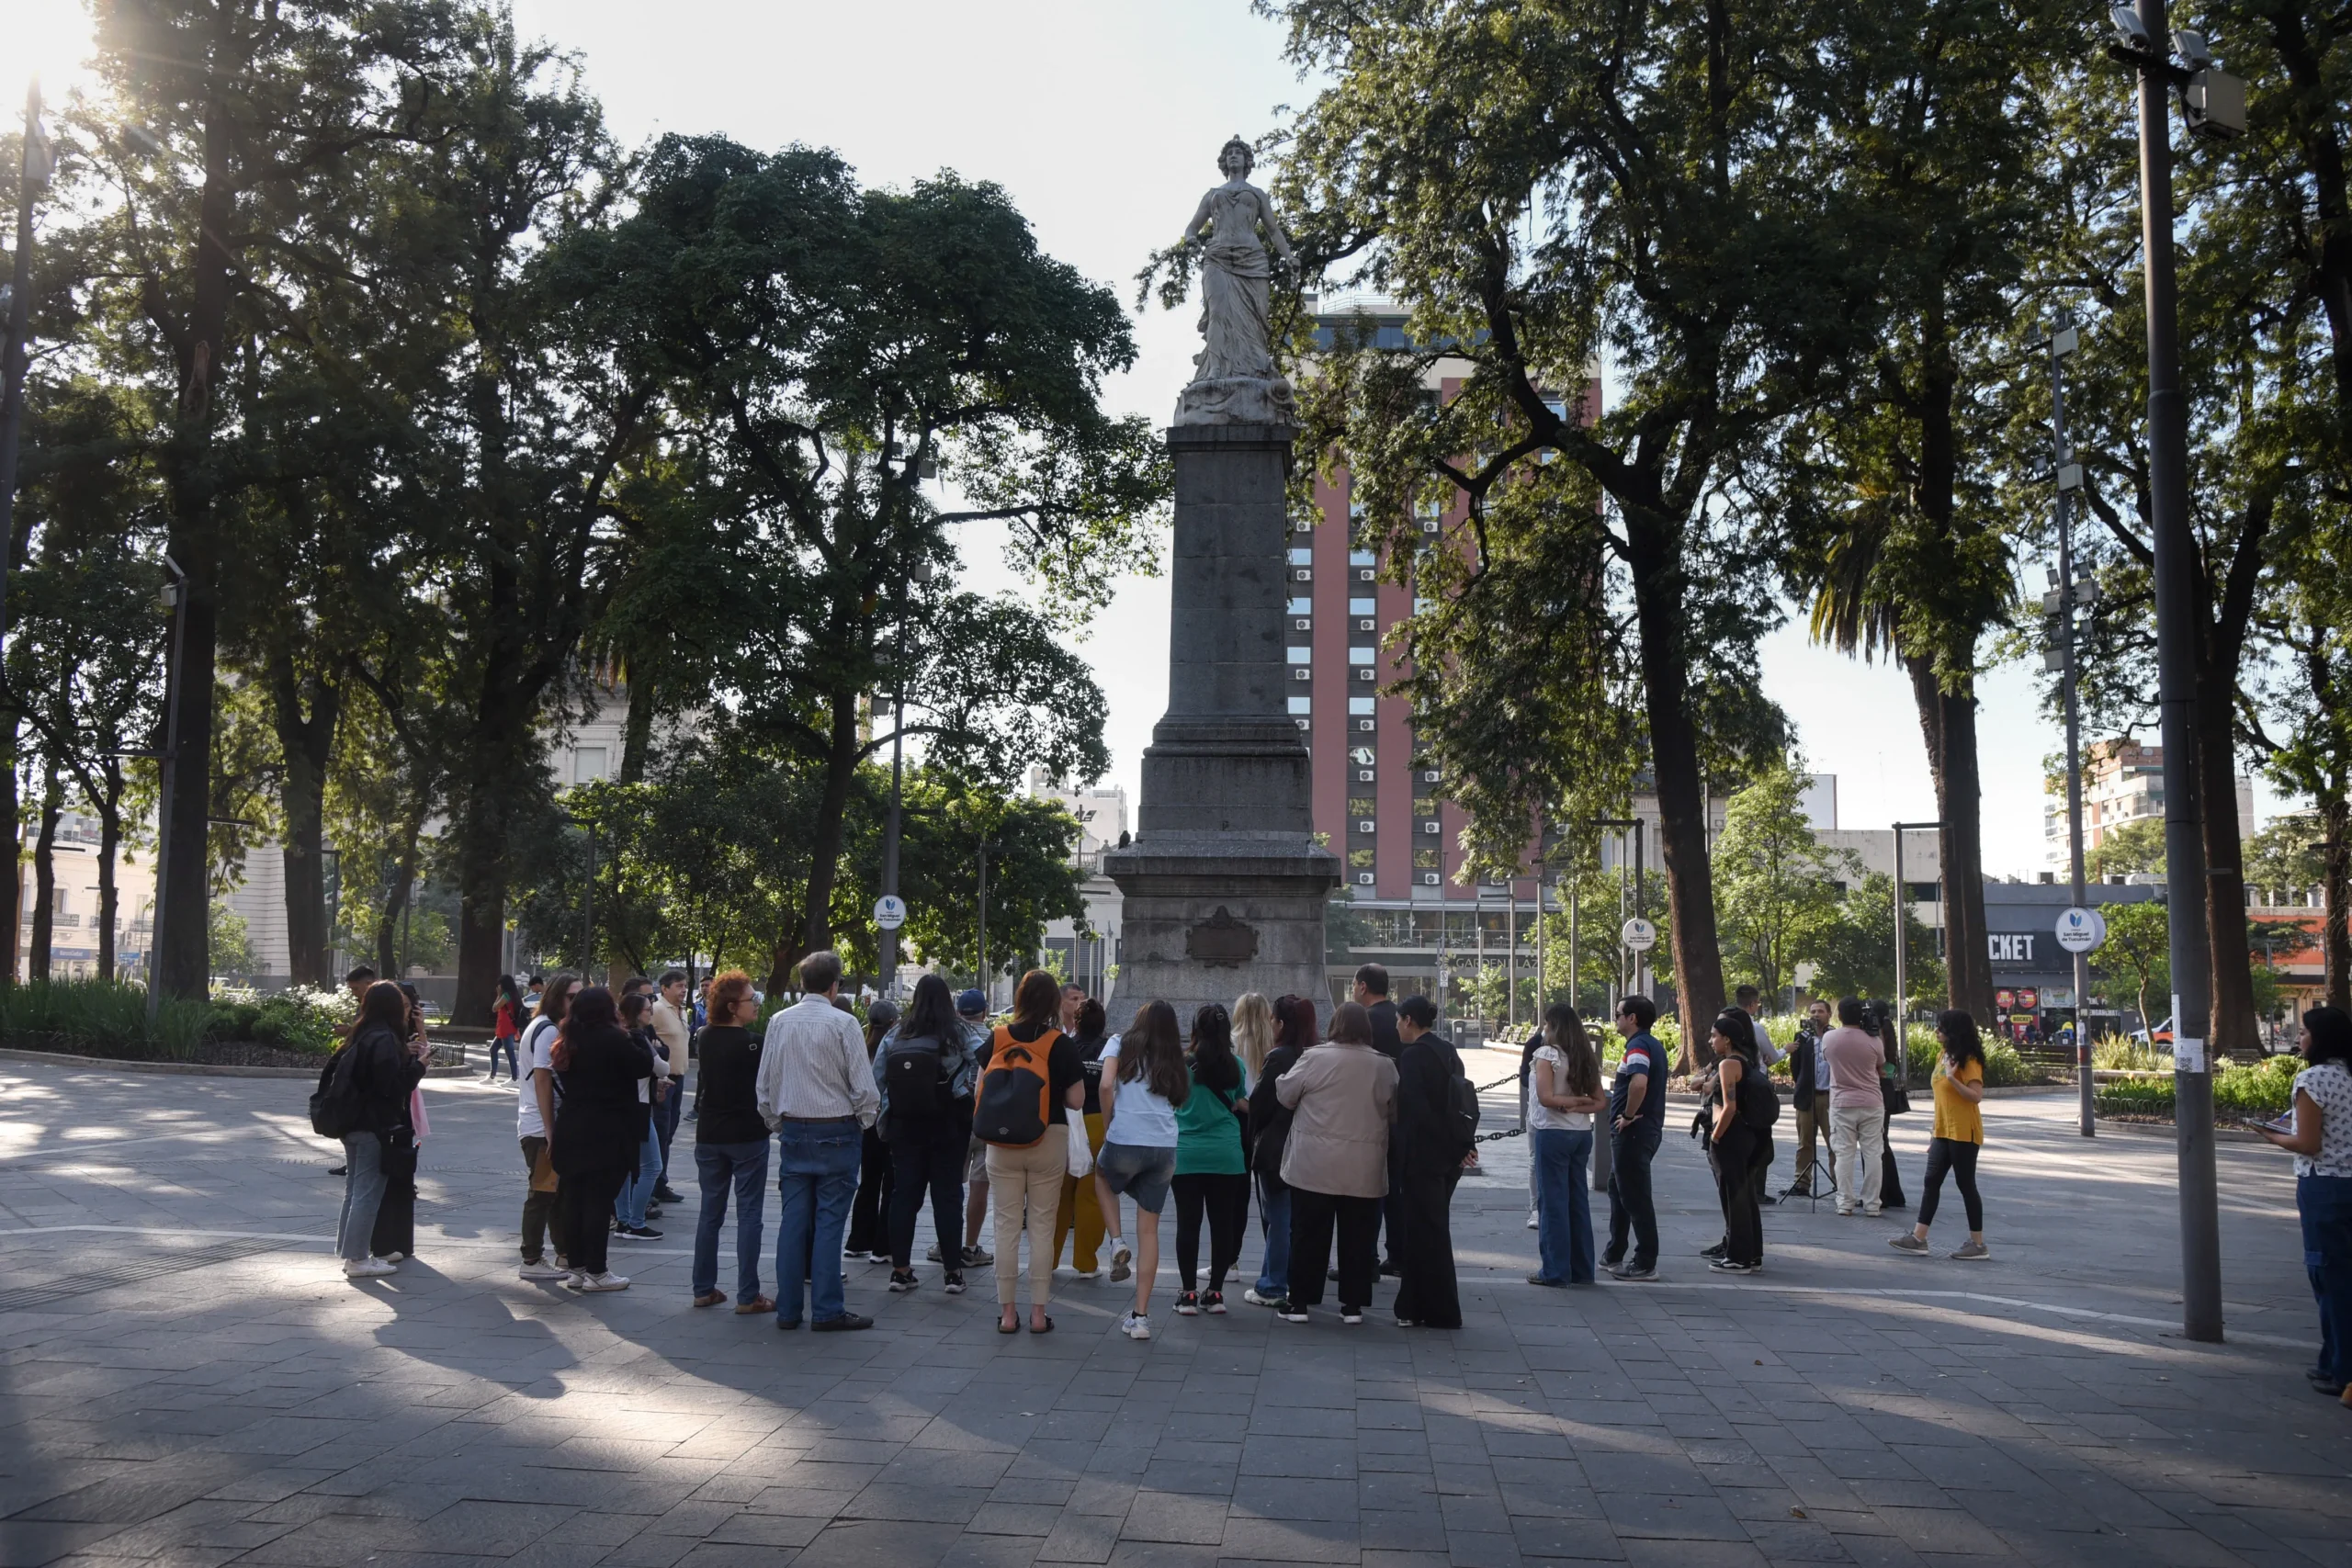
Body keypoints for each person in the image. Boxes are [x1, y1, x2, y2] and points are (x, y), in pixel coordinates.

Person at [754, 951, 880, 1330]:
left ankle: (789, 1310)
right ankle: (827, 1309)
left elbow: (765, 1083)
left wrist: (777, 1121)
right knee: (829, 1222)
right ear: (834, 985)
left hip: (795, 1127)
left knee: (793, 1220)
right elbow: (864, 1086)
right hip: (837, 1129)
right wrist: (863, 1120)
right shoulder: (844, 1024)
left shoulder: (778, 1022)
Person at [1275, 1000, 1397, 1325]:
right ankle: (1352, 1306)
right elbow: (1394, 1110)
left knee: (1308, 1234)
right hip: (1364, 1167)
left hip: (1313, 1165)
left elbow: (1286, 1095)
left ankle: (1300, 1301)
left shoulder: (1315, 1058)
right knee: (1358, 1237)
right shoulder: (1384, 1065)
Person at [2252, 1005, 2352, 1401]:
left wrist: (2270, 1134)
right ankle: (2333, 1362)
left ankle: (2341, 1370)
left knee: (2330, 1280)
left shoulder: (2313, 1079)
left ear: (2320, 1038)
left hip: (2324, 1187)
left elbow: (2308, 1143)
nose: (2299, 1038)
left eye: (2305, 1032)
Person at [979, 969, 1087, 1335]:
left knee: (1005, 1225)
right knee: (1043, 1226)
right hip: (1048, 1138)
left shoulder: (997, 1038)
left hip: (1001, 1143)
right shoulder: (1060, 1043)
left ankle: (1007, 1314)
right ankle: (1039, 1314)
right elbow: (1076, 1100)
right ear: (1054, 1003)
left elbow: (979, 1091)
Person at [877, 975, 978, 1295]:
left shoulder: (897, 1033)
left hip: (905, 1125)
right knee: (947, 1197)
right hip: (948, 1123)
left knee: (904, 1196)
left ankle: (901, 1270)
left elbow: (877, 1079)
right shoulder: (957, 1032)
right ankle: (952, 1272)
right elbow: (985, 1057)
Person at [1095, 999, 1188, 1339]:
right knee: (1149, 1231)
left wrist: (1110, 1125)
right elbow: (1179, 1098)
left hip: (1125, 1136)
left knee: (1102, 1176)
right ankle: (1141, 1317)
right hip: (1164, 1145)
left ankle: (1116, 1240)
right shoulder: (1174, 1054)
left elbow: (1106, 1086)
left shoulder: (1119, 1042)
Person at [690, 971, 774, 1314]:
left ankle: (703, 1288)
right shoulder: (753, 1042)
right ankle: (748, 1294)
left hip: (710, 1134)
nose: (755, 1005)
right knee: (750, 1213)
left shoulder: (704, 1036)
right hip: (747, 1135)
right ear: (731, 1007)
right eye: (750, 1000)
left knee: (710, 1212)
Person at [333, 981, 427, 1278]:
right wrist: (418, 1067)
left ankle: (349, 1252)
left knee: (353, 1190)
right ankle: (358, 1258)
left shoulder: (360, 1034)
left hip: (350, 1122)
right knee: (367, 1192)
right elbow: (390, 1086)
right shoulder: (384, 1038)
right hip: (372, 1125)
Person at [1391, 995, 1469, 1327]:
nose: (1396, 1026)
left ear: (1409, 1020)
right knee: (1435, 1228)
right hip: (1448, 1155)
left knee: (1420, 1231)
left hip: (1422, 1154)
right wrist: (1458, 1144)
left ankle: (1419, 1306)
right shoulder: (1448, 1051)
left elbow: (1415, 1108)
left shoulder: (1412, 1057)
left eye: (1399, 1019)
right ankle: (1432, 1306)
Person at [1891, 1009, 1992, 1261]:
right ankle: (1918, 1238)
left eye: (1941, 1028)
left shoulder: (1969, 1060)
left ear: (1953, 1031)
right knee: (1931, 1181)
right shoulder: (1944, 1055)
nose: (1936, 1031)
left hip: (1964, 1132)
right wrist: (1934, 1134)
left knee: (1966, 1185)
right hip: (1942, 1132)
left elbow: (1976, 1096)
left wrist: (1952, 1078)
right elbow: (1942, 1099)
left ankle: (1978, 1244)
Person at [1171, 1003, 1252, 1315]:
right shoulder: (1236, 1065)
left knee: (1187, 1225)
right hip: (1227, 1154)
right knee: (1223, 1225)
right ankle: (1215, 1293)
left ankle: (1188, 1294)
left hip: (1187, 1154)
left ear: (1195, 1029)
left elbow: (1172, 1100)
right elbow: (1239, 1101)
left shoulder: (1182, 1063)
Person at [1526, 1002, 1606, 1289]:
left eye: (1547, 1024)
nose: (1544, 1029)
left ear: (1554, 1026)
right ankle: (1583, 1269)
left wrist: (1567, 1103)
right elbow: (1600, 1102)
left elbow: (1546, 1098)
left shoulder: (1547, 1055)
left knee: (1553, 1203)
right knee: (1577, 1202)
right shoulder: (1584, 1056)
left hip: (1552, 1132)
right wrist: (1580, 1103)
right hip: (1581, 1134)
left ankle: (1555, 1270)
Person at [1244, 995, 1309, 1310]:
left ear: (1281, 1024)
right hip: (1303, 1145)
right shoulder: (1311, 1054)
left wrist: (1252, 1133)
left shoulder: (1279, 1057)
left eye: (1273, 1019)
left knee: (1278, 1217)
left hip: (1275, 1147)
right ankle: (1287, 1279)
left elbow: (1260, 1102)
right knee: (1291, 1216)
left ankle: (1273, 1284)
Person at [514, 975, 579, 1281]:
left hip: (540, 1124)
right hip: (540, 1126)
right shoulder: (547, 1029)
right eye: (572, 997)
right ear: (557, 997)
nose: (576, 1004)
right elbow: (542, 1078)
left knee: (555, 1191)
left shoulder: (541, 1024)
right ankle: (531, 1258)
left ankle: (563, 1253)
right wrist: (550, 1129)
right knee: (542, 1191)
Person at [1600, 995, 1667, 1281]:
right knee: (1619, 1191)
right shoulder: (1649, 1044)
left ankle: (1645, 1261)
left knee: (1635, 1196)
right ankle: (1614, 1253)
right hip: (1642, 1131)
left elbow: (1639, 1082)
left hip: (1634, 1133)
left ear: (1632, 1018)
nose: (1615, 1019)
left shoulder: (1638, 1046)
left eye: (1618, 1014)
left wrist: (1627, 1115)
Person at [368, 983, 434, 1265]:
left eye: (409, 1005)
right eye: (401, 1005)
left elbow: (424, 1055)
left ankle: (401, 1243)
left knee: (404, 1173)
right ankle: (380, 1244)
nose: (405, 1011)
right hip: (388, 1111)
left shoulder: (402, 1030)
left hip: (406, 1105)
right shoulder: (384, 1035)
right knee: (384, 1177)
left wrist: (420, 1028)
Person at [1706, 1009, 1772, 1275]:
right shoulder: (1748, 1061)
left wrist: (1715, 1135)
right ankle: (1752, 1254)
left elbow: (1729, 1106)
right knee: (1745, 1197)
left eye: (1714, 1036)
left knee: (1733, 1198)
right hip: (1751, 1137)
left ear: (1728, 1040)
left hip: (1732, 1137)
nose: (1711, 1041)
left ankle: (1738, 1257)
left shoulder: (1728, 1064)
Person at [1050, 997, 1112, 1280]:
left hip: (1064, 1123)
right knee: (1091, 1195)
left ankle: (1048, 1259)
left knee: (1058, 1195)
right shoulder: (1108, 1051)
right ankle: (1086, 1262)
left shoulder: (1065, 1047)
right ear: (1102, 1026)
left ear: (1075, 1022)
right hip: (1098, 1122)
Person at [1352, 964, 1406, 1275]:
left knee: (1367, 1191)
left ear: (1361, 986)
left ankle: (1365, 1257)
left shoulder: (1364, 1022)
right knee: (1395, 1190)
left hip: (1369, 1115)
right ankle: (1397, 1255)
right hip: (1399, 1115)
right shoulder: (1401, 1018)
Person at [944, 987, 996, 1271]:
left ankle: (945, 1242)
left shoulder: (949, 1037)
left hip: (956, 1116)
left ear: (957, 1012)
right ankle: (971, 1246)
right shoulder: (996, 1039)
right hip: (986, 1120)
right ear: (985, 1013)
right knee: (980, 1186)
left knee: (950, 1185)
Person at [844, 998, 899, 1265]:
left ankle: (858, 1241)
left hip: (865, 1124)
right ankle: (883, 1246)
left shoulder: (861, 1048)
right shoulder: (893, 1048)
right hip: (888, 1121)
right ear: (893, 1022)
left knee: (868, 1183)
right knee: (890, 1184)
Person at [612, 991, 669, 1241]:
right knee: (652, 1166)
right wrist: (656, 1050)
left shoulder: (620, 1036)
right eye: (647, 1009)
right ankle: (635, 1222)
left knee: (625, 1167)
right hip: (638, 1109)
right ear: (635, 1013)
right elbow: (663, 1067)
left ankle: (624, 1221)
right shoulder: (638, 1037)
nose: (651, 1012)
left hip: (623, 1109)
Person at [1824, 998, 1887, 1218]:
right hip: (1872, 1102)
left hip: (1841, 1103)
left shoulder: (1829, 1038)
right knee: (1873, 1154)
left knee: (1843, 1154)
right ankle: (1872, 1204)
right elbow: (1882, 1065)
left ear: (1839, 1015)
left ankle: (1844, 1202)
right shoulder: (1874, 1040)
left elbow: (1826, 1059)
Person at [649, 969, 693, 1204]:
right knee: (661, 1132)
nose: (683, 990)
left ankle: (660, 1181)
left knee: (669, 1132)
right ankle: (655, 1183)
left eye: (685, 985)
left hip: (680, 1077)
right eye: (678, 986)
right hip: (663, 1080)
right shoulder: (656, 1010)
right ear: (664, 988)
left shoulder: (681, 1011)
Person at [1783, 998, 1834, 1199]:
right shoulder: (1801, 1037)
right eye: (1812, 1011)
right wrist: (1802, 1085)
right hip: (1807, 1097)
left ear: (1829, 1015)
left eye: (1820, 1011)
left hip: (1830, 1098)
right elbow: (1795, 1067)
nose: (1815, 1015)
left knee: (1835, 1144)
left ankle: (1839, 1184)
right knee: (1805, 1143)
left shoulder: (1835, 1036)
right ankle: (1802, 1183)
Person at [488, 974, 526, 1083]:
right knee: (493, 1049)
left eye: (499, 984)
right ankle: (492, 1076)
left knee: (510, 1052)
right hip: (506, 1027)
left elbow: (495, 1008)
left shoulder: (506, 996)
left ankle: (515, 1078)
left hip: (506, 1027)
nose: (498, 986)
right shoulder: (514, 995)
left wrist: (499, 994)